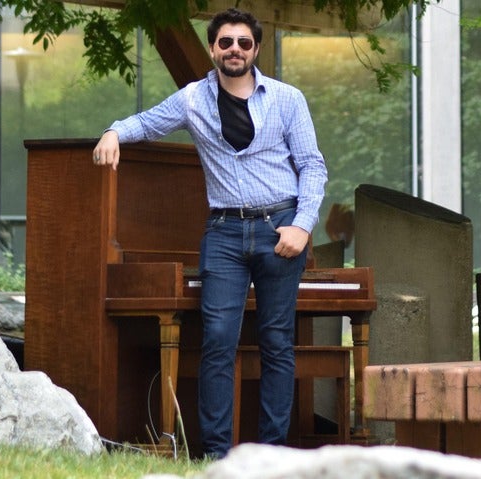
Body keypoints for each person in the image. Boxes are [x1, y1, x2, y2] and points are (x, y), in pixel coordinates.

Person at [92, 8, 328, 459]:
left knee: (277, 342)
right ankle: (216, 457)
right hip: (223, 233)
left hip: (280, 228)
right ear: (213, 48)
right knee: (218, 340)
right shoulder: (192, 99)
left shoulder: (287, 98)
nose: (234, 49)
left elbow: (312, 165)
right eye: (226, 42)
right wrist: (113, 132)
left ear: (255, 49)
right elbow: (146, 122)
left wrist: (302, 225)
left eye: (244, 42)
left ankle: (271, 456)